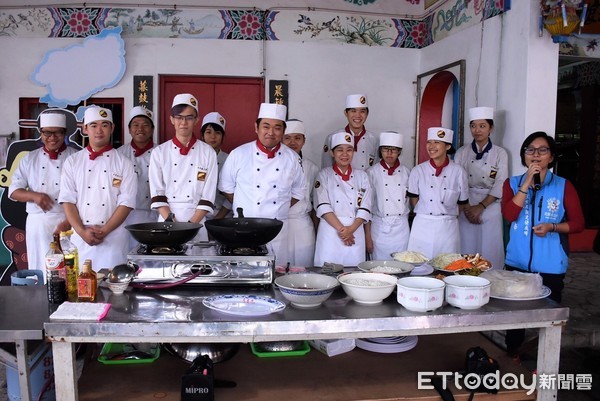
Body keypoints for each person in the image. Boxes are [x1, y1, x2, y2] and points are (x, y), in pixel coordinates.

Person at [502, 131, 584, 355]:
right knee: (514, 320)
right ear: (524, 156)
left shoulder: (563, 186)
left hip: (550, 265)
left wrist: (553, 227)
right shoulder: (512, 183)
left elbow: (578, 224)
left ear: (551, 156)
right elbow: (509, 215)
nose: (536, 154)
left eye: (542, 150)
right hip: (517, 263)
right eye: (530, 150)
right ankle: (513, 357)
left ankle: (545, 361)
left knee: (548, 319)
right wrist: (526, 183)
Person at [219, 103, 304, 265]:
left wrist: (280, 207)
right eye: (266, 126)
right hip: (245, 226)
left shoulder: (292, 158)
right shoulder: (239, 154)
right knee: (245, 272)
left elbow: (298, 192)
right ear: (256, 127)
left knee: (276, 271)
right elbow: (226, 188)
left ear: (283, 131)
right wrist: (246, 206)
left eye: (277, 127)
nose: (271, 132)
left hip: (278, 228)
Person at [59, 106, 137, 270]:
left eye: (104, 125)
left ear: (112, 128)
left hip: (113, 237)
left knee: (115, 287)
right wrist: (81, 231)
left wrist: (105, 231)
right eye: (93, 125)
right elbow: (68, 200)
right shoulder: (73, 162)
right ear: (85, 129)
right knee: (81, 288)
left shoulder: (124, 163)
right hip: (81, 237)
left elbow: (126, 202)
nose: (99, 130)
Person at [9, 111, 78, 276]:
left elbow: (84, 195)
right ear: (41, 133)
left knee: (68, 268)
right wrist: (35, 196)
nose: (52, 137)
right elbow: (14, 191)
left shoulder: (75, 157)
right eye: (47, 132)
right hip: (38, 224)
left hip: (67, 221)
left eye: (57, 132)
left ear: (64, 133)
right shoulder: (29, 159)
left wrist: (69, 222)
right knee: (40, 266)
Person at [149, 94, 218, 241]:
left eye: (189, 117)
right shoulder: (159, 152)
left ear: (196, 120)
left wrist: (190, 227)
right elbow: (157, 192)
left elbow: (208, 196)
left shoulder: (208, 153)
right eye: (179, 117)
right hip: (167, 222)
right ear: (172, 119)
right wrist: (173, 224)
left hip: (197, 223)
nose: (183, 122)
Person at [455, 107, 508, 269]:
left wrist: (481, 206)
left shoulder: (500, 153)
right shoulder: (462, 152)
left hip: (490, 206)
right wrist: (467, 208)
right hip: (466, 205)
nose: (477, 130)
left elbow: (501, 183)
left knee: (490, 250)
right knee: (466, 249)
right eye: (473, 126)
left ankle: (491, 284)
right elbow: (456, 182)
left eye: (482, 126)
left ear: (491, 128)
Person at [407, 127, 469, 259]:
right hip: (422, 225)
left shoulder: (458, 172)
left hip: (447, 228)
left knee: (447, 266)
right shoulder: (418, 170)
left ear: (447, 146)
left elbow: (463, 203)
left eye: (437, 142)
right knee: (419, 266)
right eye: (429, 142)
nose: (431, 146)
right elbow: (414, 199)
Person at [313, 131, 372, 267]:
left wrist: (351, 230)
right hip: (331, 231)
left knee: (354, 275)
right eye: (340, 150)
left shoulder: (362, 176)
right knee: (327, 274)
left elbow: (365, 206)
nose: (345, 154)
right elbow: (323, 206)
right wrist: (344, 231)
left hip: (355, 230)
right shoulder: (323, 175)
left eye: (349, 150)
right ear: (332, 153)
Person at [365, 131, 411, 260]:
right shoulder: (371, 173)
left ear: (399, 152)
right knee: (379, 269)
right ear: (380, 151)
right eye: (385, 149)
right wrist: (368, 237)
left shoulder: (407, 172)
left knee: (402, 265)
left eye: (394, 150)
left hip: (401, 229)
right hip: (379, 228)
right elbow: (366, 208)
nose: (389, 153)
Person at [117, 106, 158, 249]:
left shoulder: (161, 153)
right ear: (129, 129)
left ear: (152, 130)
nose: (140, 128)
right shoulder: (119, 154)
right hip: (126, 215)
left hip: (154, 214)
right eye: (136, 125)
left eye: (145, 125)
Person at [282, 119, 319, 266]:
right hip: (279, 223)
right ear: (281, 139)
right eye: (287, 138)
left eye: (297, 138)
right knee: (279, 267)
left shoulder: (312, 168)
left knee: (305, 267)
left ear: (304, 141)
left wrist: (317, 232)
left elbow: (315, 205)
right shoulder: (272, 165)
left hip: (303, 226)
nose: (292, 142)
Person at [321, 94, 378, 170]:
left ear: (367, 114)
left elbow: (376, 169)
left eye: (362, 111)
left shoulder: (374, 139)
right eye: (353, 111)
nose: (358, 115)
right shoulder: (332, 137)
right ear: (346, 113)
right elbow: (326, 169)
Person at [200, 111, 231, 220]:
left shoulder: (230, 159)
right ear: (202, 135)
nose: (213, 136)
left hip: (224, 216)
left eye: (217, 132)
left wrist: (218, 218)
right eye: (208, 132)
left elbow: (232, 193)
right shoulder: (194, 159)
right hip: (197, 215)